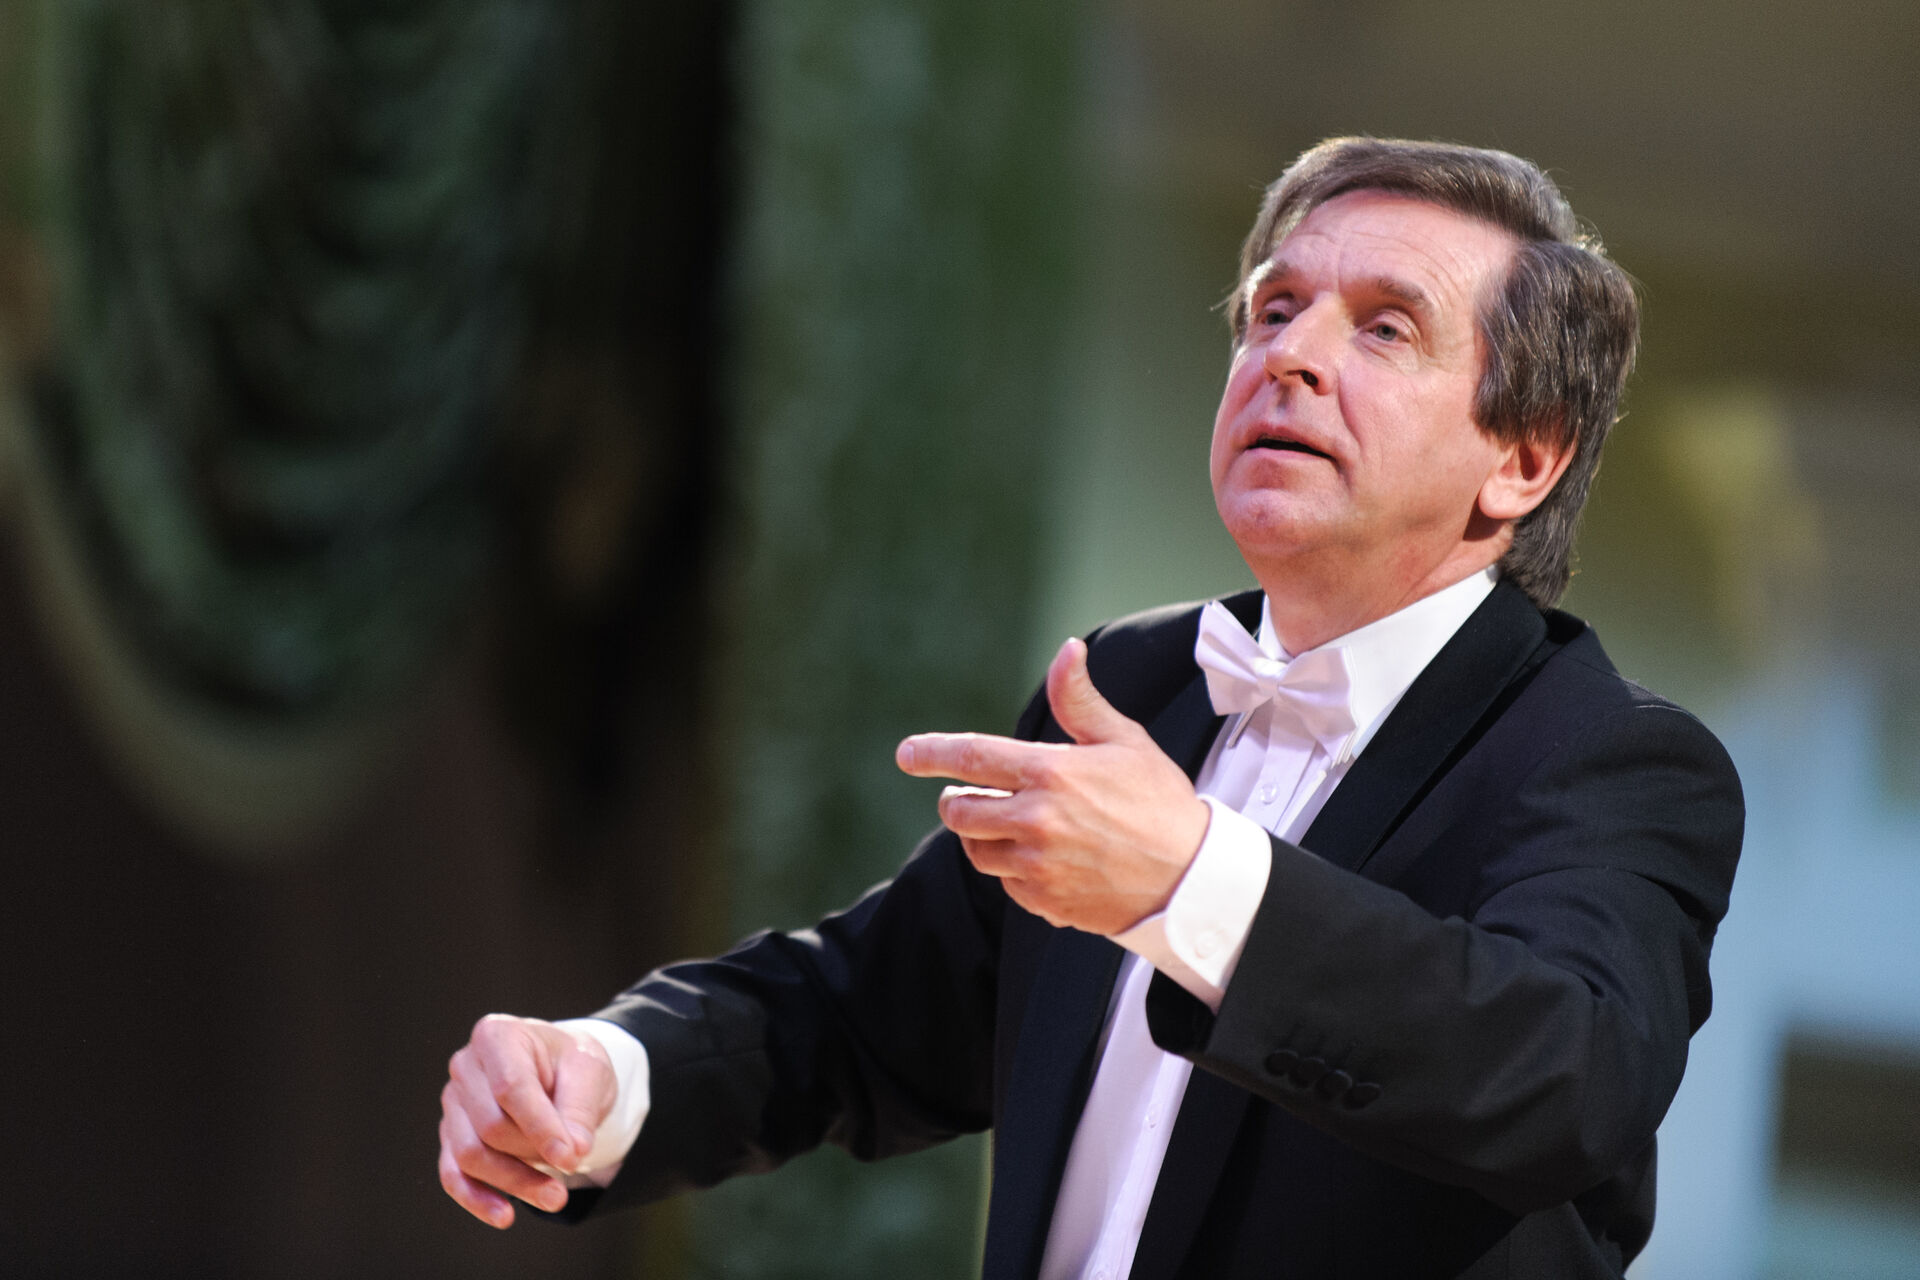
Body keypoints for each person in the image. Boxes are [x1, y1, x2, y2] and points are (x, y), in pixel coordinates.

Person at [437, 137, 1743, 1279]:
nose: (1288, 356)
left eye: (1385, 329)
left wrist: (1194, 880)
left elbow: (1567, 1078)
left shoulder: (1611, 757)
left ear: (1525, 456)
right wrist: (608, 1074)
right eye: (1273, 309)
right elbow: (863, 1012)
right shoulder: (1136, 685)